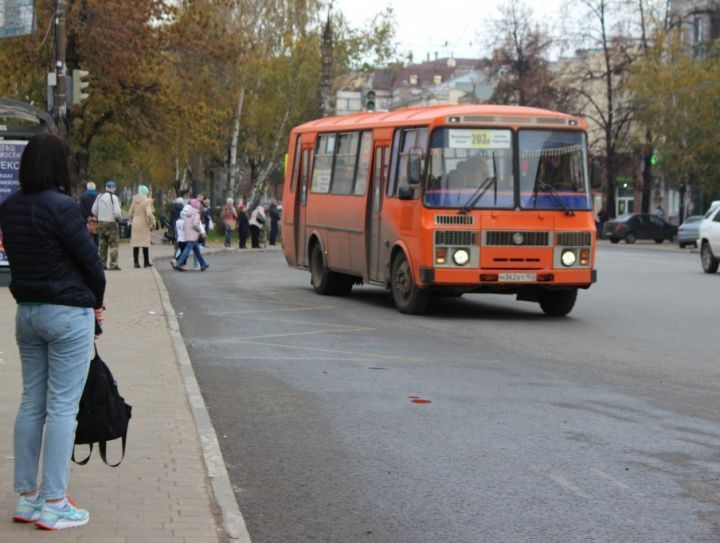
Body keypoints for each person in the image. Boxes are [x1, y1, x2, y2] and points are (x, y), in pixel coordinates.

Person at [0, 133, 105, 531]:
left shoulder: (9, 207)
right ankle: (56, 501)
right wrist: (97, 302)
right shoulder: (63, 207)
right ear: (59, 165)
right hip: (67, 315)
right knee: (62, 407)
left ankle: (28, 498)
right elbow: (90, 262)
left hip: (27, 313)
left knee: (31, 403)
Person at [91, 180, 122, 270]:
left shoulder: (99, 197)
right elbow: (117, 212)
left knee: (102, 243)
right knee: (114, 244)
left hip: (101, 222)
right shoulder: (114, 198)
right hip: (111, 222)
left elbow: (94, 210)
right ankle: (113, 264)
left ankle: (102, 264)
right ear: (113, 188)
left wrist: (99, 215)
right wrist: (118, 219)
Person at [172, 198, 209, 271]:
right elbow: (196, 224)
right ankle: (178, 263)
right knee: (188, 249)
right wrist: (201, 232)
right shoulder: (196, 213)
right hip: (193, 234)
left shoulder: (186, 212)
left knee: (196, 250)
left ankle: (203, 264)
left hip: (187, 233)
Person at [128, 185, 156, 268]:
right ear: (146, 192)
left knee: (136, 243)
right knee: (145, 243)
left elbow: (130, 213)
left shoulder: (134, 200)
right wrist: (153, 222)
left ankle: (136, 263)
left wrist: (131, 220)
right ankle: (146, 262)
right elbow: (149, 213)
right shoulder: (147, 201)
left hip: (135, 222)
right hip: (144, 222)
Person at [78, 181, 99, 247]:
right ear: (94, 188)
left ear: (87, 188)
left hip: (86, 220)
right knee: (96, 236)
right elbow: (100, 208)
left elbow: (81, 208)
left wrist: (87, 217)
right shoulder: (98, 196)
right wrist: (96, 217)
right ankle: (96, 250)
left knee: (86, 236)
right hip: (96, 220)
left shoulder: (82, 197)